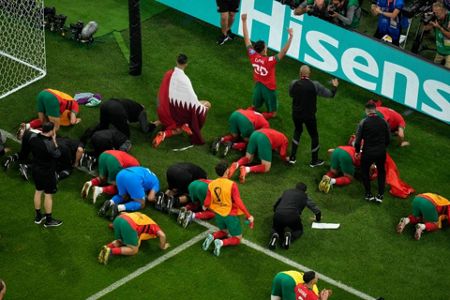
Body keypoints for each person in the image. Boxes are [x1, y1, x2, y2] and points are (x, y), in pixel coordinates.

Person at [241, 13, 294, 119]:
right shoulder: (270, 61)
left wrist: (244, 21)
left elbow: (247, 40)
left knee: (253, 106)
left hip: (258, 86)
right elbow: (283, 52)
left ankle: (247, 114)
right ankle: (258, 116)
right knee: (273, 113)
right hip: (269, 89)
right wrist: (291, 37)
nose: (267, 47)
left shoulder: (253, 55)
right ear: (263, 50)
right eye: (266, 47)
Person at [153, 54, 211, 147]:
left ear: (176, 61)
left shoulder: (168, 73)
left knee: (173, 115)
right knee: (206, 104)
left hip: (161, 110)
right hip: (173, 115)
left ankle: (158, 123)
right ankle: (165, 134)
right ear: (186, 64)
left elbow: (162, 92)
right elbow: (192, 101)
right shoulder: (185, 80)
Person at [287, 65, 339, 167]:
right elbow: (330, 94)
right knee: (314, 136)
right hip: (309, 116)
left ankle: (292, 157)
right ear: (309, 74)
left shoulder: (293, 83)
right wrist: (335, 86)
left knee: (297, 131)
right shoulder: (315, 85)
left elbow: (291, 95)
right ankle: (314, 161)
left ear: (300, 73)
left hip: (296, 114)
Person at [201, 161, 254, 256]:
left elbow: (207, 203)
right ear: (226, 171)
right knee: (238, 238)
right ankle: (221, 243)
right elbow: (238, 201)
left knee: (224, 231)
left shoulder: (212, 184)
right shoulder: (231, 184)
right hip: (230, 215)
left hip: (219, 214)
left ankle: (212, 236)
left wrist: (204, 207)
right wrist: (248, 215)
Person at [97, 212, 170, 264]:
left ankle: (106, 247)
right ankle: (111, 251)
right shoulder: (153, 226)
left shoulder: (141, 216)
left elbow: (123, 213)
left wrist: (113, 225)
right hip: (129, 226)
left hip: (118, 219)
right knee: (134, 249)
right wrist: (163, 246)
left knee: (121, 241)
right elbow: (162, 235)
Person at [354, 101, 390, 203]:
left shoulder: (363, 122)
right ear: (375, 110)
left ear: (366, 111)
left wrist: (357, 151)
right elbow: (388, 139)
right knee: (381, 172)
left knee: (365, 172)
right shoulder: (384, 122)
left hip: (368, 152)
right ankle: (380, 195)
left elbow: (358, 140)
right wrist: (383, 147)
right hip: (381, 152)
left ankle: (368, 194)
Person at [29, 122, 63, 227]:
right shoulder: (49, 144)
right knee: (48, 195)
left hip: (36, 169)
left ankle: (38, 216)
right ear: (51, 131)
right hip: (47, 172)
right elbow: (58, 154)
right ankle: (49, 220)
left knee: (38, 191)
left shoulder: (33, 137)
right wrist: (54, 140)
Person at [269, 183, 321, 250]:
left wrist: (275, 211)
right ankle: (289, 237)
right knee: (298, 230)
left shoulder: (287, 192)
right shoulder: (305, 196)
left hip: (278, 214)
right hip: (292, 217)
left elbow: (277, 203)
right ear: (305, 191)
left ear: (295, 187)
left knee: (275, 228)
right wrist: (318, 218)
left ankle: (275, 235)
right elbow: (315, 209)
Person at [90, 98, 155, 139]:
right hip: (117, 110)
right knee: (144, 129)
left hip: (108, 104)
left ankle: (155, 124)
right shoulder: (138, 110)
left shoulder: (134, 108)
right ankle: (155, 124)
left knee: (104, 125)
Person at [424, 2, 450, 69]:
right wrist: (426, 20)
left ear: (444, 11)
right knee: (434, 69)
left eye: (438, 13)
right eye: (434, 12)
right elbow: (426, 29)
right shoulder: (435, 18)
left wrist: (439, 27)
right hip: (440, 51)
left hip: (449, 52)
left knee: (447, 72)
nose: (436, 15)